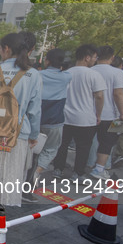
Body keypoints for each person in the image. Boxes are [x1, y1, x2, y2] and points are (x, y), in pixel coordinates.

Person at [0, 33, 41, 219]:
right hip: (17, 132)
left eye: (1, 48)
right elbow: (35, 110)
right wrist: (34, 134)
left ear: (7, 49)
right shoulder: (33, 74)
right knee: (8, 171)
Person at [52, 44, 105, 181]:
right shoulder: (94, 75)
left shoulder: (66, 73)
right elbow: (99, 96)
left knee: (62, 145)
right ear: (87, 58)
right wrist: (98, 114)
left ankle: (58, 169)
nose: (95, 60)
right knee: (83, 147)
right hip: (85, 118)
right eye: (94, 57)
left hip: (65, 116)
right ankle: (78, 173)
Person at [89, 46, 123, 180]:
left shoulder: (90, 70)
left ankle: (83, 166)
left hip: (90, 112)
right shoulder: (118, 73)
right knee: (107, 142)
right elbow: (118, 94)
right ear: (112, 57)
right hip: (111, 114)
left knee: (87, 141)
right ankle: (99, 168)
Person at [32, 49, 72, 182]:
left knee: (32, 147)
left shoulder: (37, 75)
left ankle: (28, 171)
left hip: (37, 119)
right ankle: (37, 171)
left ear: (47, 61)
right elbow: (66, 69)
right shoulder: (66, 76)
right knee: (50, 149)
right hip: (55, 121)